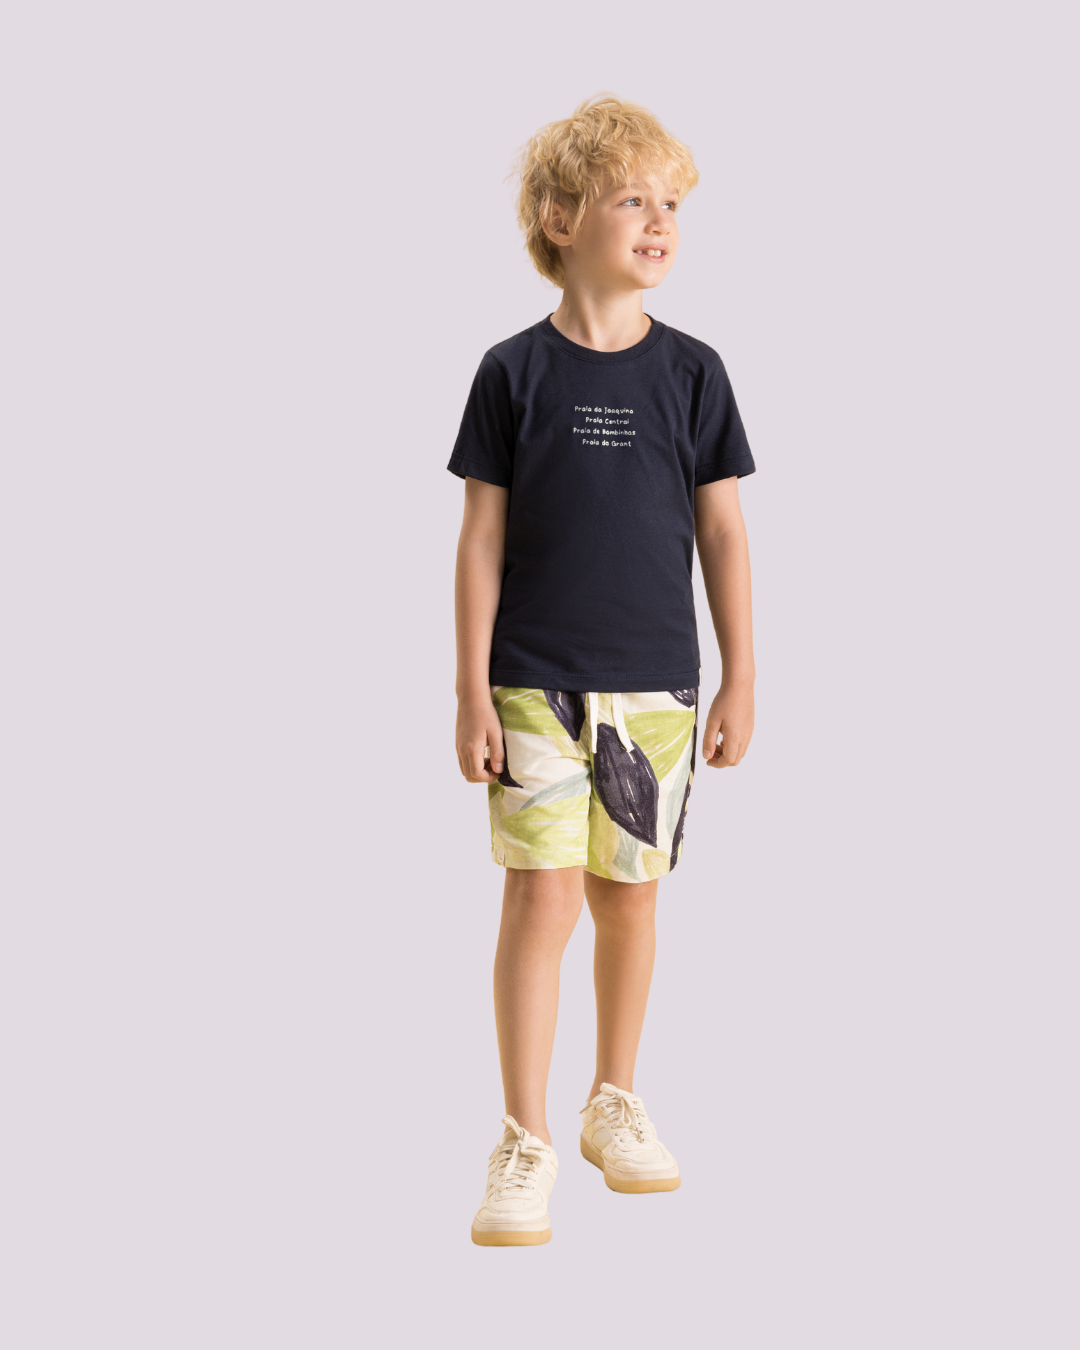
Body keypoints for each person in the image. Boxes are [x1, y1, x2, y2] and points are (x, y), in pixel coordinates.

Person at [449, 95, 756, 1247]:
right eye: (634, 199)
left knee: (629, 897)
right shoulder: (510, 372)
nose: (661, 220)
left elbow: (722, 531)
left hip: (657, 687)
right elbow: (481, 539)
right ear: (560, 217)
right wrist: (470, 692)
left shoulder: (695, 373)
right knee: (539, 895)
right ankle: (523, 1136)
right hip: (532, 683)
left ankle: (612, 1100)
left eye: (672, 202)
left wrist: (742, 674)